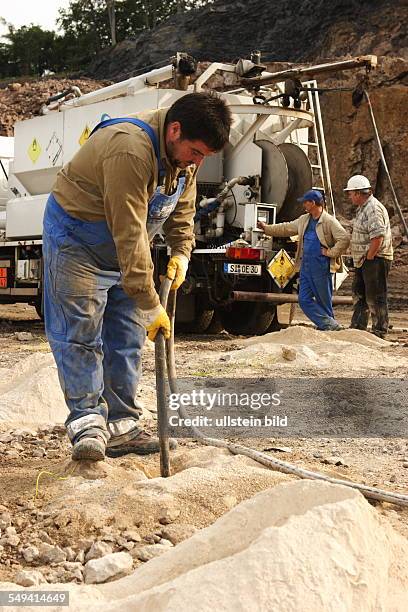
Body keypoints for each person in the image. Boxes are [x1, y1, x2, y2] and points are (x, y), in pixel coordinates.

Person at [43, 92, 232, 461]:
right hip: (78, 243)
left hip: (126, 248)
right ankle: (88, 425)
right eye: (196, 152)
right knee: (79, 334)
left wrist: (181, 251)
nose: (197, 162)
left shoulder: (185, 157)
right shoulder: (130, 149)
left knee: (127, 338)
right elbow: (127, 231)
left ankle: (122, 426)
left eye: (203, 157)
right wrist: (150, 302)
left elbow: (181, 209)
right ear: (174, 130)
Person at [257, 189, 350, 331]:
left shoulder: (329, 221)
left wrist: (331, 253)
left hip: (321, 266)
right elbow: (286, 228)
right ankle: (329, 325)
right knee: (304, 300)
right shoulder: (304, 220)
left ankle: (328, 327)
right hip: (306, 267)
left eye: (305, 202)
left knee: (324, 301)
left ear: (313, 203)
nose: (303, 206)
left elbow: (344, 239)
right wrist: (267, 229)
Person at [344, 175, 393, 338]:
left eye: (351, 193)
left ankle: (379, 330)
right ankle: (358, 327)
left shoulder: (372, 208)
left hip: (376, 259)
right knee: (360, 293)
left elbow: (378, 236)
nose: (349, 196)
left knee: (375, 295)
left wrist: (370, 256)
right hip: (366, 260)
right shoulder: (364, 208)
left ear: (358, 193)